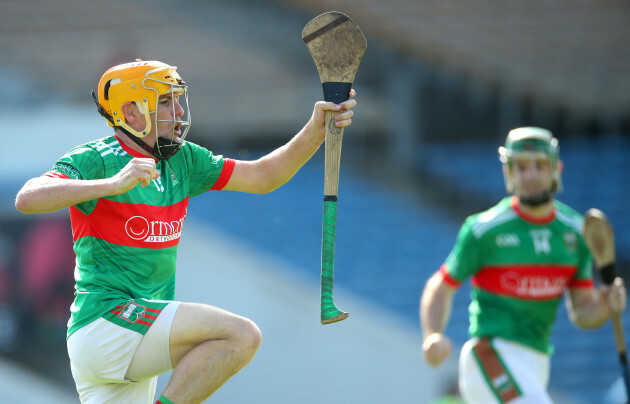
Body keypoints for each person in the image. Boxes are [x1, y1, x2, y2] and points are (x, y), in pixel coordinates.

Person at [14, 59, 357, 404]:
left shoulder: (184, 160)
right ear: (131, 112)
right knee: (239, 336)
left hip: (133, 336)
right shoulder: (95, 158)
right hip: (106, 322)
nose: (178, 110)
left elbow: (263, 176)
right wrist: (113, 184)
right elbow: (28, 198)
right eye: (164, 101)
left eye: (177, 99)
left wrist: (315, 130)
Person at [419, 127, 627, 404]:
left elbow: (583, 313)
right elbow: (441, 286)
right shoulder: (484, 230)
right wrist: (433, 334)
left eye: (540, 165)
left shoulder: (577, 234)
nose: (530, 175)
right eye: (520, 167)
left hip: (538, 363)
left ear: (557, 168)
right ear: (508, 173)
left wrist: (604, 305)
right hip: (488, 357)